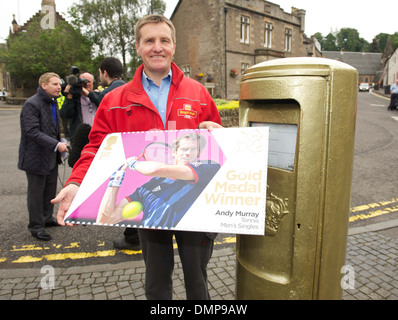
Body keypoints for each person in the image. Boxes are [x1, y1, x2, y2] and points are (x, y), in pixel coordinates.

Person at [52, 14, 222, 300]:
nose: (158, 47)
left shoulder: (198, 94)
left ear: (173, 45)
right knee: (156, 282)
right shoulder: (115, 100)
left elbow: (217, 148)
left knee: (198, 280)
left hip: (195, 205)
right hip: (149, 199)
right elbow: (95, 147)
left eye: (164, 40)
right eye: (150, 41)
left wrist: (217, 132)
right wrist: (75, 182)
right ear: (138, 46)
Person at [96, 133, 220, 229]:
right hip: (153, 238)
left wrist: (132, 163)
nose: (188, 153)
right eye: (184, 149)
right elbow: (105, 219)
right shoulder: (147, 188)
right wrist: (116, 177)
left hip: (191, 238)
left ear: (198, 153)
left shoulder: (208, 167)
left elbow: (155, 169)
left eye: (193, 149)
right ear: (174, 152)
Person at [18, 72, 69, 241]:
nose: (59, 87)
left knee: (49, 190)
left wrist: (59, 139)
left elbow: (53, 127)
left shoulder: (52, 102)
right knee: (36, 193)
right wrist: (56, 145)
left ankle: (47, 218)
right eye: (54, 84)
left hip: (50, 156)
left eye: (59, 84)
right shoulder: (31, 104)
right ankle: (36, 226)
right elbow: (32, 132)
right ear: (43, 86)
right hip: (35, 157)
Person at [97, 57, 139, 250]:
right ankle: (134, 235)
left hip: (119, 154)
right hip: (135, 154)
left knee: (126, 194)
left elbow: (97, 136)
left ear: (104, 73)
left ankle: (132, 237)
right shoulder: (134, 90)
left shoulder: (106, 95)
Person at [61, 72, 99, 141]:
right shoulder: (74, 99)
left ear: (93, 83)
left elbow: (101, 104)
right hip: (79, 139)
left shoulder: (98, 95)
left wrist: (89, 94)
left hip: (97, 136)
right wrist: (69, 97)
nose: (86, 84)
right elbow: (66, 114)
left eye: (89, 82)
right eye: (83, 82)